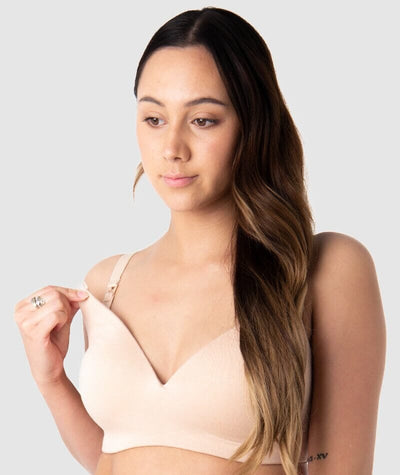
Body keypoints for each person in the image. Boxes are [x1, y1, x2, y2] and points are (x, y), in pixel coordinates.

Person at [14, 7, 386, 475]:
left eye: (203, 120)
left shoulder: (323, 268)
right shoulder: (108, 282)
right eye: (154, 118)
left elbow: (339, 466)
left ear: (254, 125)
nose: (172, 148)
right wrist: (51, 379)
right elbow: (115, 456)